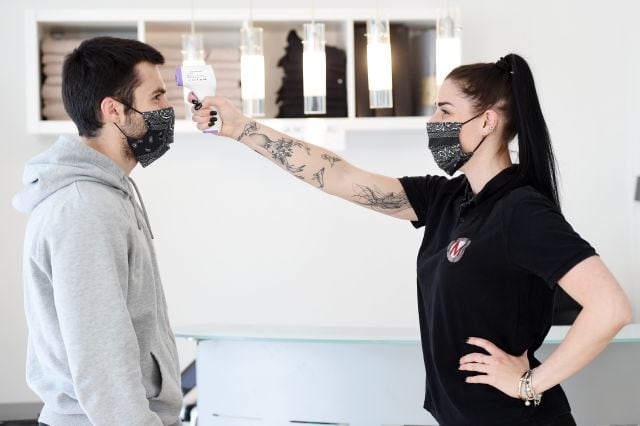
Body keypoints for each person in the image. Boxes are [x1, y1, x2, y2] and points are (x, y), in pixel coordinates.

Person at [188, 53, 632, 425]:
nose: (433, 121)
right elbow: (339, 175)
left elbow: (610, 308)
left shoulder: (520, 210)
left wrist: (528, 382)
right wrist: (241, 129)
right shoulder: (447, 200)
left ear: (487, 122)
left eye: (445, 110)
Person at [13, 37, 182, 425]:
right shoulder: (85, 208)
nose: (167, 111)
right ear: (113, 110)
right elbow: (101, 354)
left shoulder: (105, 196)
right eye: (156, 97)